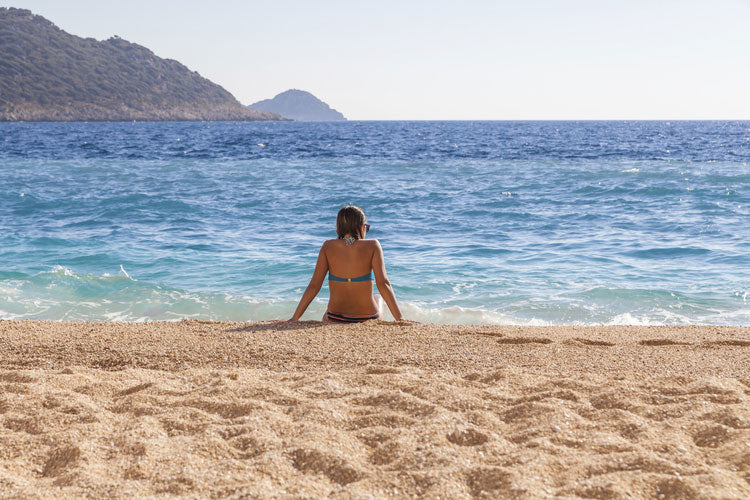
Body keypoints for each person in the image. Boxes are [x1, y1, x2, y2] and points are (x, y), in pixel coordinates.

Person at [290, 205, 406, 323]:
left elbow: (314, 286)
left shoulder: (328, 246)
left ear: (338, 228)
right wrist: (400, 319)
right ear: (362, 227)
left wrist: (294, 319)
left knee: (327, 313)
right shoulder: (373, 245)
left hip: (334, 317)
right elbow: (383, 284)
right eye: (367, 227)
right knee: (378, 298)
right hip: (367, 318)